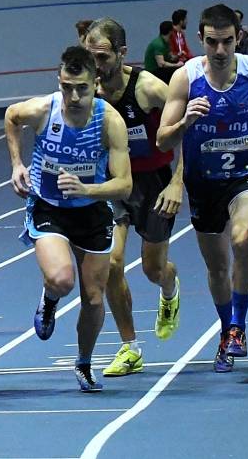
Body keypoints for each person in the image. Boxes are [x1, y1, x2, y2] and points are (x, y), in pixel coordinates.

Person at [156, 3, 248, 373]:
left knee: (242, 239)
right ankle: (225, 327)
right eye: (212, 42)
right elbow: (163, 140)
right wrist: (185, 121)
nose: (220, 50)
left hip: (246, 173)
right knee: (217, 267)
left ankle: (238, 327)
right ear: (200, 38)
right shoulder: (185, 79)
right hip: (203, 182)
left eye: (227, 41)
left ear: (238, 38)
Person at [7, 45, 133, 392]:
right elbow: (12, 117)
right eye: (67, 87)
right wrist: (17, 164)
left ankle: (84, 363)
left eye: (82, 88)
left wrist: (86, 189)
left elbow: (124, 184)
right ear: (58, 81)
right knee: (62, 279)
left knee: (93, 297)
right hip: (49, 207)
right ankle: (49, 300)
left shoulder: (109, 121)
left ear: (96, 84)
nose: (74, 97)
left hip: (91, 211)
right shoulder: (43, 111)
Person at [81, 19, 182, 378]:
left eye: (102, 57)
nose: (95, 65)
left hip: (154, 183)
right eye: (90, 57)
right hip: (113, 184)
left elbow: (189, 129)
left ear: (122, 53)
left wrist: (177, 182)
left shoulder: (149, 88)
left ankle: (169, 288)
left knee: (153, 269)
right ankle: (130, 348)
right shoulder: (86, 91)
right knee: (111, 265)